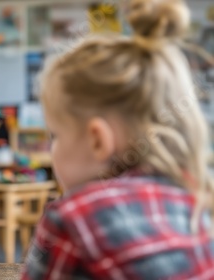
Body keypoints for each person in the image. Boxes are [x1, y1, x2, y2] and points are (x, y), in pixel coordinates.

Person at [22, 0, 214, 279]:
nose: (53, 148)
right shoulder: (195, 202)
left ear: (98, 140)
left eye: (56, 135)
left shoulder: (72, 219)